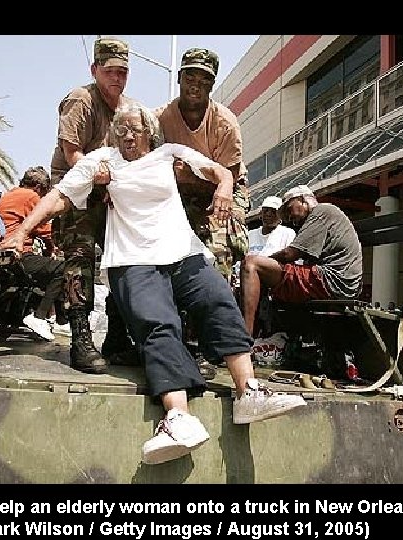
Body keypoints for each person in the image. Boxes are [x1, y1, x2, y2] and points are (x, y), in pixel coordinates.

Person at [0, 102, 306, 465]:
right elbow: (58, 197)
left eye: (135, 128)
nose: (128, 135)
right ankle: (177, 417)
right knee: (157, 322)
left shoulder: (168, 154)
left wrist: (223, 186)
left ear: (149, 132)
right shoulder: (101, 162)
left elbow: (219, 170)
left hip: (182, 253)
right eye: (121, 129)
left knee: (218, 300)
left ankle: (248, 391)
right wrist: (21, 232)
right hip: (133, 260)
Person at [155, 47, 251, 377]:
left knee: (219, 249)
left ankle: (215, 341)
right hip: (178, 192)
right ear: (179, 78)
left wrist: (192, 178)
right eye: (190, 77)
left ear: (212, 85)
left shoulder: (224, 123)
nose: (196, 84)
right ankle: (176, 337)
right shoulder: (160, 120)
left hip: (222, 189)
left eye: (204, 80)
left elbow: (225, 181)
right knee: (164, 253)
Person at [49, 36, 137, 373]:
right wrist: (98, 175)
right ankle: (80, 339)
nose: (117, 78)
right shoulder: (81, 100)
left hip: (109, 193)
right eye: (111, 71)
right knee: (81, 257)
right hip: (76, 190)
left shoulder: (127, 108)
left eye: (123, 72)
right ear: (95, 69)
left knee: (124, 259)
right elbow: (73, 154)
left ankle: (117, 338)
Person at [240, 185, 363, 336]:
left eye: (289, 209)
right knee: (258, 274)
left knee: (251, 264)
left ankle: (244, 338)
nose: (291, 218)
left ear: (303, 200)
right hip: (338, 282)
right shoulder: (320, 216)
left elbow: (289, 254)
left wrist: (263, 263)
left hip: (333, 281)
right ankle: (264, 335)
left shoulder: (322, 211)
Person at [0, 166, 65, 341]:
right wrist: (52, 249)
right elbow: (46, 230)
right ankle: (39, 317)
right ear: (39, 188)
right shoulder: (30, 196)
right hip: (16, 255)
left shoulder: (9, 194)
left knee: (52, 269)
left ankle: (61, 321)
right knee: (62, 268)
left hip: (2, 254)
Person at [246, 196, 296, 337]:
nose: (268, 215)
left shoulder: (287, 233)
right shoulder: (250, 234)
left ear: (280, 215)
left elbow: (291, 260)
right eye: (265, 211)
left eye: (273, 211)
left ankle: (251, 332)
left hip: (273, 280)